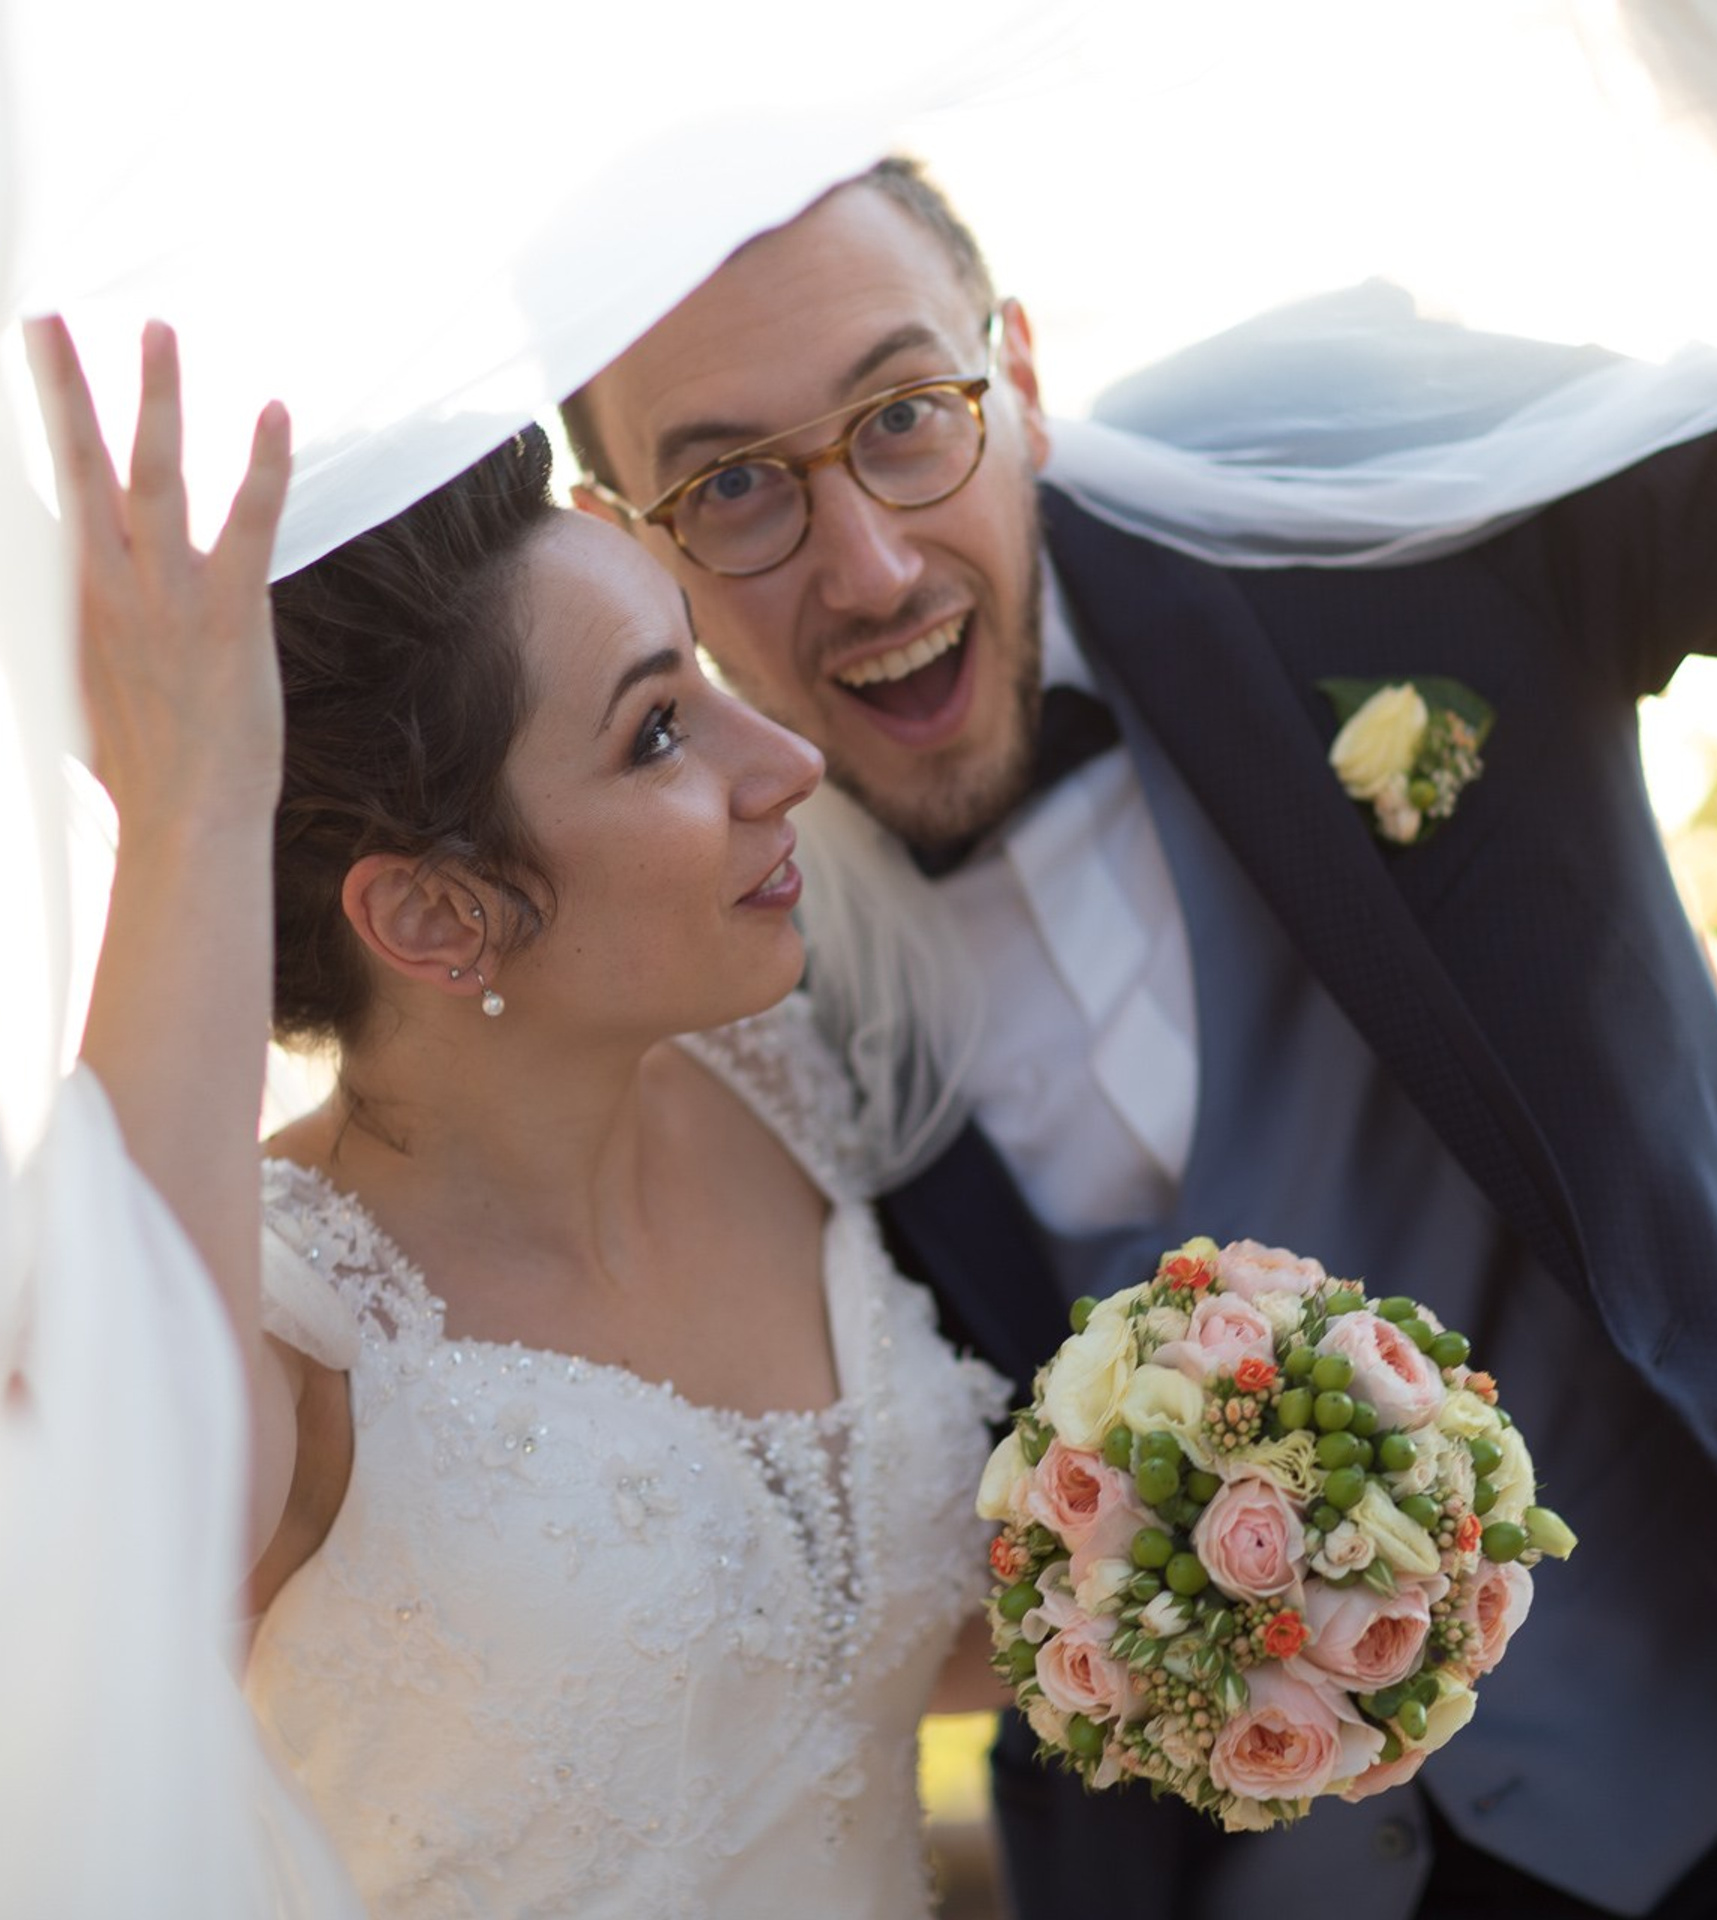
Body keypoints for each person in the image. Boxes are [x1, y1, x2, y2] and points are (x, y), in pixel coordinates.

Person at [561, 158, 1717, 1919]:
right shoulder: (690, 972)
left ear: (1021, 377)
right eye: (733, 485)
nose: (869, 565)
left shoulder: (1335, 494)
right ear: (623, 541)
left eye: (906, 418)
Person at [28, 315, 1006, 1918]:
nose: (788, 763)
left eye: (697, 672)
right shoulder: (291, 1329)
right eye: (660, 731)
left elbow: (827, 1673)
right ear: (433, 917)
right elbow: (119, 1522)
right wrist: (190, 809)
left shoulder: (789, 1082)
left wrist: (1169, 1604)